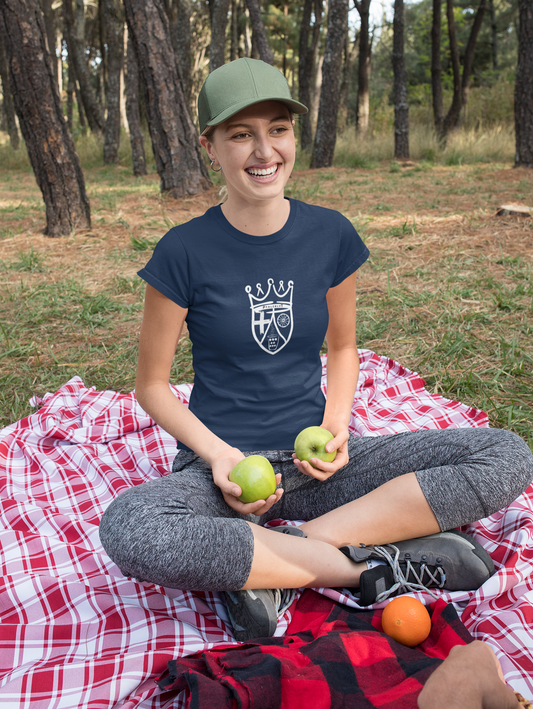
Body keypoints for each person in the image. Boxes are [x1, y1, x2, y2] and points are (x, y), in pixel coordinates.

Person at [99, 58, 533, 642]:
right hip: (221, 477)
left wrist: (335, 426)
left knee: (504, 453)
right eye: (240, 134)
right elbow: (151, 385)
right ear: (210, 146)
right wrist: (220, 457)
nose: (264, 150)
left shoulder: (330, 234)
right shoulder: (182, 251)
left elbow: (345, 346)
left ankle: (279, 561)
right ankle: (368, 568)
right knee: (131, 527)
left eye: (277, 128)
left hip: (319, 470)